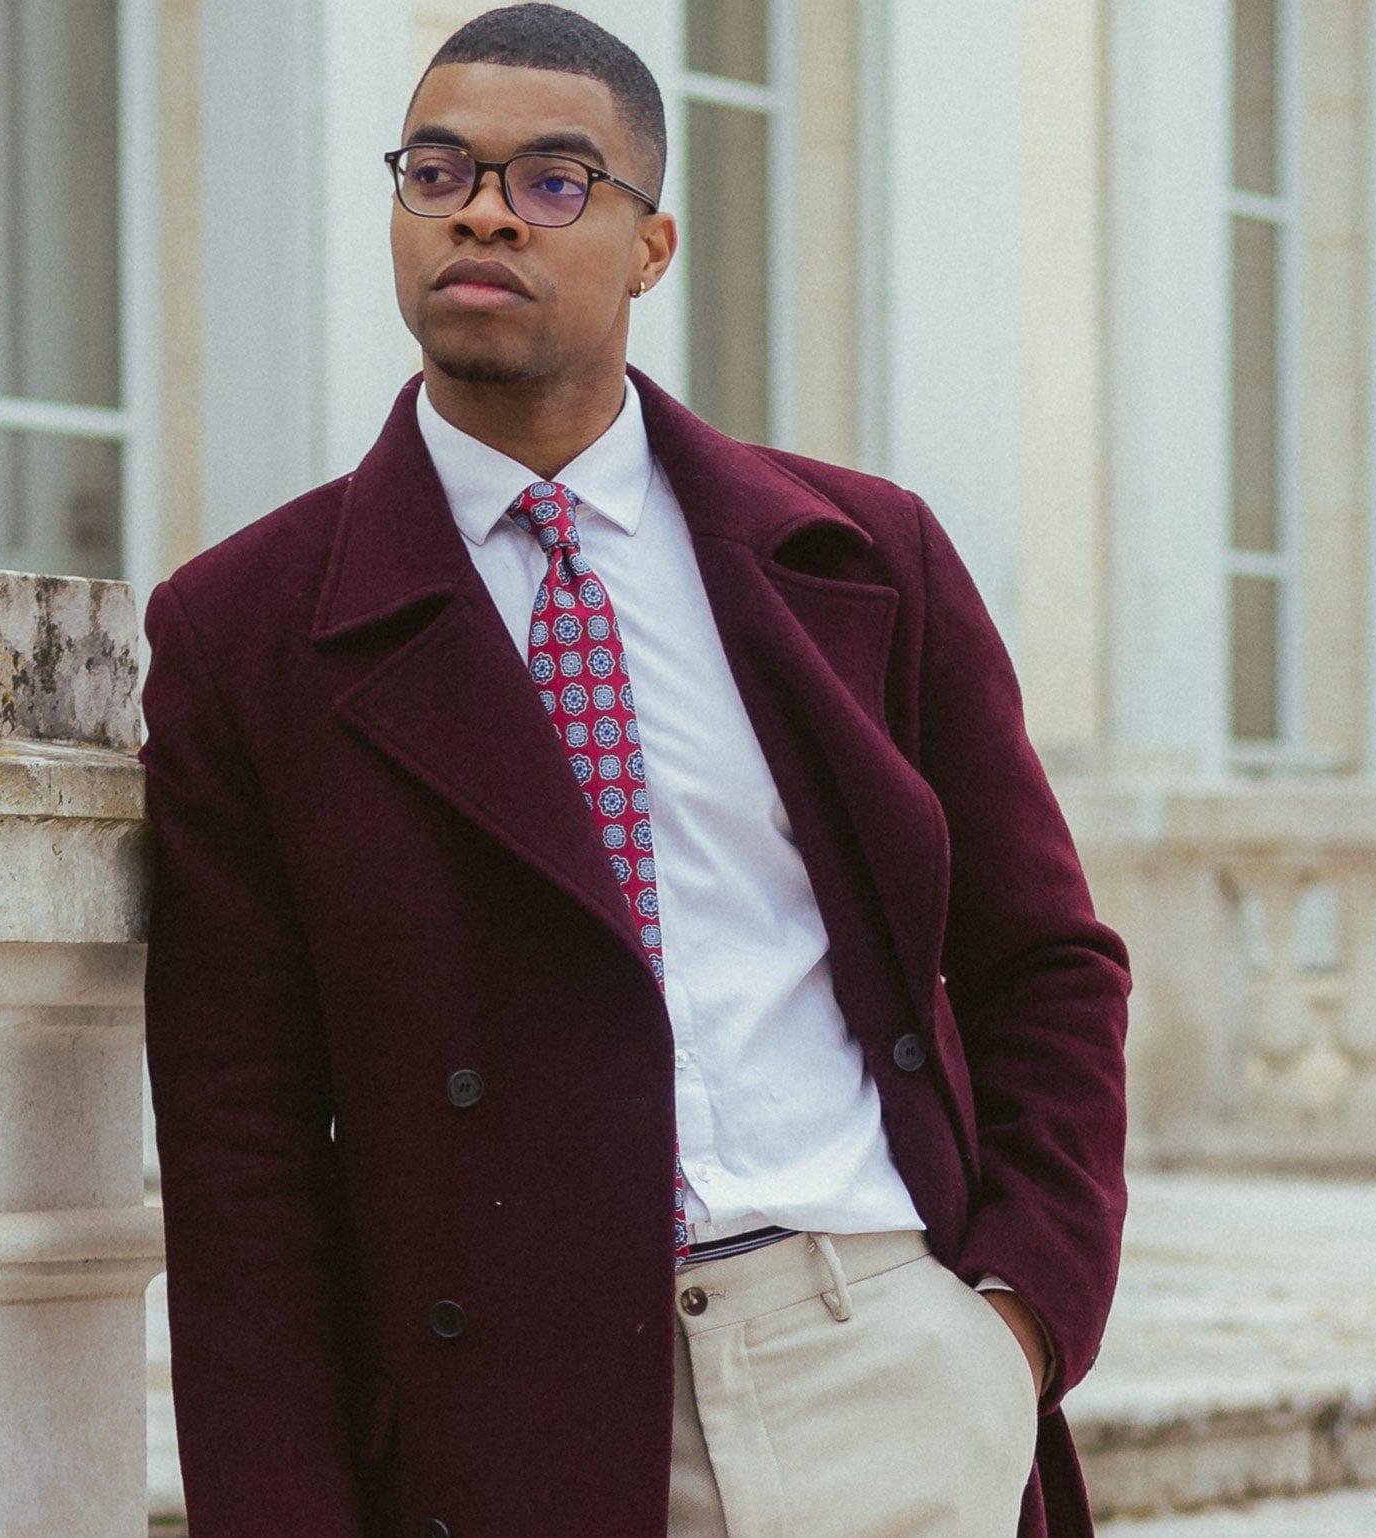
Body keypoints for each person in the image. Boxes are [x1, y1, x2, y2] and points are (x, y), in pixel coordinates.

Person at [138, 6, 1131, 1536]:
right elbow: (241, 1157)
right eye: (437, 170)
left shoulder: (864, 559)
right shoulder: (247, 630)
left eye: (551, 179)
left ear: (650, 245)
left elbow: (1044, 960)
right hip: (511, 1422)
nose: (479, 207)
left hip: (883, 1363)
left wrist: (1012, 1318)